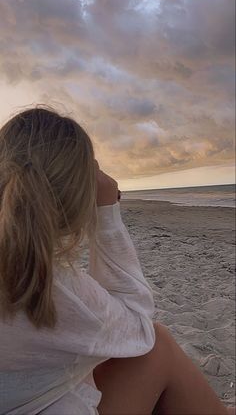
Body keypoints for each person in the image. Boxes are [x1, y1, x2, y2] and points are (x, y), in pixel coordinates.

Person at [0, 107, 234, 415]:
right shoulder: (43, 285)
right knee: (158, 345)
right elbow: (139, 330)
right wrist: (107, 215)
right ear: (78, 198)